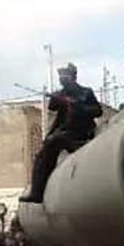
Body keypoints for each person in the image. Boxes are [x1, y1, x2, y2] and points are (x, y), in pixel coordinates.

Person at [19, 63, 103, 203]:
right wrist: (59, 99)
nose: (63, 80)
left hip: (81, 133)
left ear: (73, 77)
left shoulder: (86, 92)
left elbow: (97, 111)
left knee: (54, 140)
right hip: (64, 132)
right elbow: (53, 107)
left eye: (65, 77)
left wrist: (77, 105)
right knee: (43, 154)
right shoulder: (61, 94)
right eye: (61, 78)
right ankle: (37, 191)